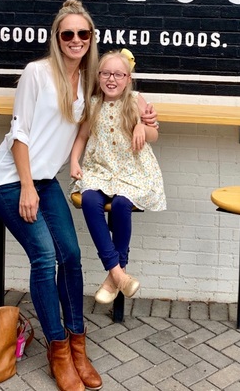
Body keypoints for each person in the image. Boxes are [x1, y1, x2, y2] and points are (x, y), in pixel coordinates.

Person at [0, 0, 160, 391]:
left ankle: (79, 345)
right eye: (68, 34)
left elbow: (123, 94)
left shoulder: (90, 80)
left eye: (83, 33)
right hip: (11, 180)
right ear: (57, 37)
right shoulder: (37, 73)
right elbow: (19, 133)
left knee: (72, 256)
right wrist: (27, 186)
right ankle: (58, 349)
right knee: (45, 258)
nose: (76, 40)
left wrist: (146, 118)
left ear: (91, 38)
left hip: (46, 181)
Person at [70, 49, 166, 304]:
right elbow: (82, 136)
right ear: (98, 76)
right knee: (89, 200)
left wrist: (141, 126)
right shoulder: (93, 104)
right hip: (101, 170)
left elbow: (154, 134)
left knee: (123, 204)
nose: (111, 79)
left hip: (131, 172)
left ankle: (114, 277)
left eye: (118, 74)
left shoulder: (135, 100)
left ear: (128, 78)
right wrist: (74, 161)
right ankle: (118, 273)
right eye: (106, 74)